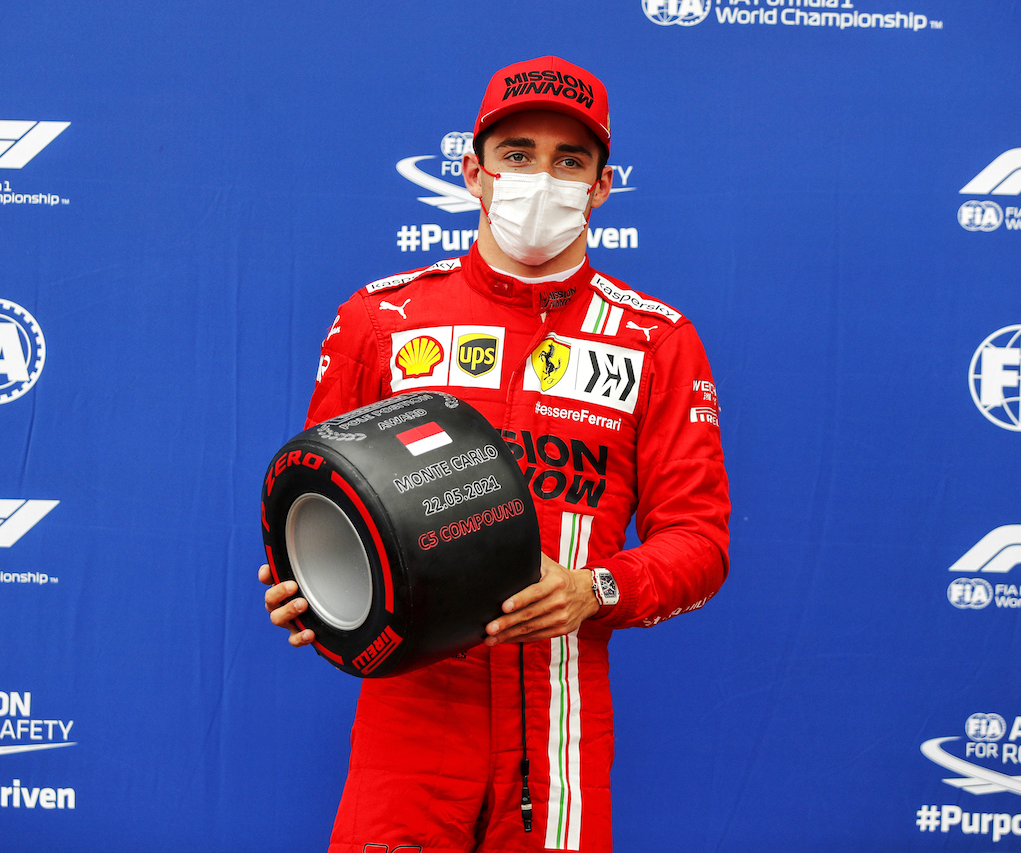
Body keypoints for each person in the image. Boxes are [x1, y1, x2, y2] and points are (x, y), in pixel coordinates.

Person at [260, 56, 730, 853]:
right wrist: (304, 587)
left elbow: (702, 542)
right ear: (474, 173)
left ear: (601, 186)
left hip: (562, 719)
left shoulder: (658, 339)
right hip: (408, 722)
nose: (541, 178)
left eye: (568, 160)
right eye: (517, 155)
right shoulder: (383, 319)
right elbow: (314, 505)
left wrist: (598, 587)